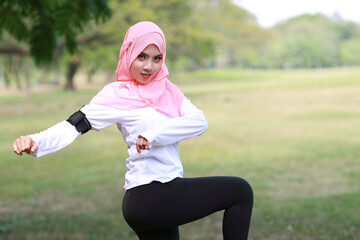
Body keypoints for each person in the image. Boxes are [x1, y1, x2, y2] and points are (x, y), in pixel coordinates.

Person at [12, 21, 253, 240]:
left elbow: (199, 122)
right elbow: (75, 124)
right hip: (150, 195)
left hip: (160, 194)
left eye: (157, 58)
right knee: (240, 191)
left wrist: (152, 135)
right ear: (128, 54)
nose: (149, 66)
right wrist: (35, 141)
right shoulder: (116, 94)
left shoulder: (169, 91)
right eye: (141, 56)